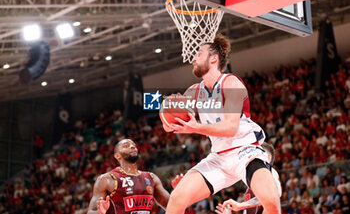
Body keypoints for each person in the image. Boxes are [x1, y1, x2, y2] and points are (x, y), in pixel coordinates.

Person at [163, 34, 281, 214]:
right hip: (218, 158)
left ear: (213, 58)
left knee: (271, 201)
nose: (193, 59)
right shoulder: (194, 92)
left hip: (245, 152)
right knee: (177, 198)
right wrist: (167, 111)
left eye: (199, 54)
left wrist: (196, 127)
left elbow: (230, 128)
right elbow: (168, 125)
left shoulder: (231, 83)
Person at [87, 139, 170, 214]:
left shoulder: (151, 178)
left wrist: (181, 189)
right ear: (117, 156)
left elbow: (171, 205)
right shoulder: (107, 179)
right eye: (126, 146)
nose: (132, 147)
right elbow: (91, 212)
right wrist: (100, 212)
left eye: (134, 145)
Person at [215, 143, 282, 214]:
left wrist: (241, 205)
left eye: (257, 153)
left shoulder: (270, 172)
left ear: (268, 157)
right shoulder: (252, 182)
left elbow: (275, 193)